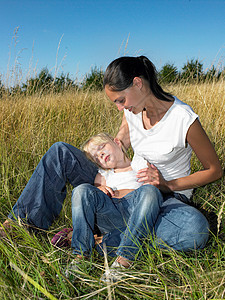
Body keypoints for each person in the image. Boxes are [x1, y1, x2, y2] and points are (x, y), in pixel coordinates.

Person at [0, 56, 222, 279]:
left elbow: (214, 170)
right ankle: (20, 225)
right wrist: (104, 178)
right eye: (116, 102)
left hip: (167, 198)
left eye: (120, 100)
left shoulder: (183, 118)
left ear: (138, 83)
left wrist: (166, 184)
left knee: (195, 229)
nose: (120, 108)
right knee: (61, 152)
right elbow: (119, 145)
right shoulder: (132, 110)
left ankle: (99, 238)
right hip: (126, 189)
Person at [64, 132, 162, 282]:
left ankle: (125, 259)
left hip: (136, 211)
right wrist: (100, 190)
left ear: (117, 142)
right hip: (112, 212)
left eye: (102, 147)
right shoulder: (103, 175)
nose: (101, 155)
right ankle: (81, 256)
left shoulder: (139, 162)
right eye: (96, 157)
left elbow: (151, 186)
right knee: (81, 190)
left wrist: (125, 191)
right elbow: (93, 198)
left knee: (150, 191)